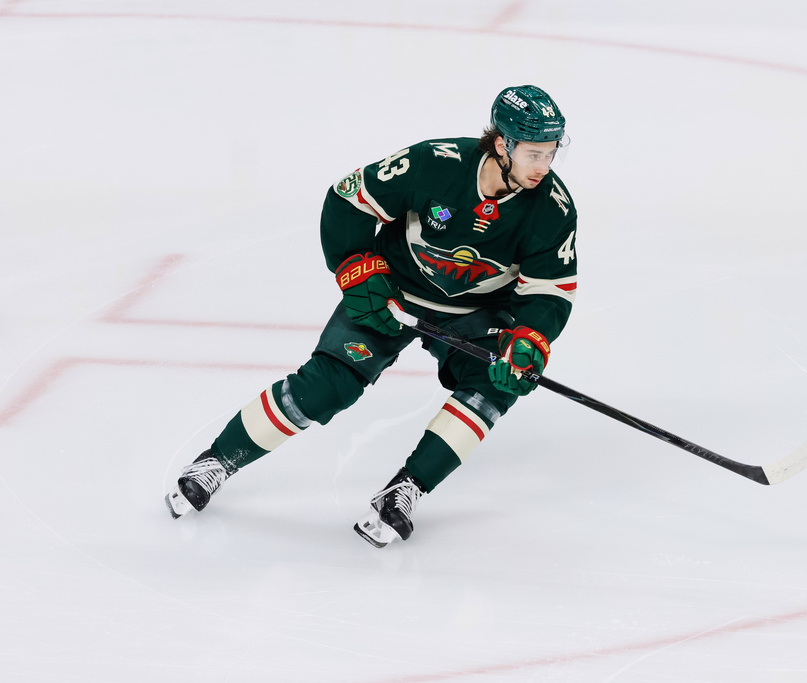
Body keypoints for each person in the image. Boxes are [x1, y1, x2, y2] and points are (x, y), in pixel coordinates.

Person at [165, 85, 578, 547]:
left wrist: (529, 338)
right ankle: (218, 461)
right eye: (534, 154)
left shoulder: (552, 209)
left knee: (492, 386)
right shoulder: (435, 163)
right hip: (393, 294)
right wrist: (358, 271)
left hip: (474, 313)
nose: (544, 166)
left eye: (550, 153)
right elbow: (348, 200)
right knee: (328, 384)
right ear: (502, 145)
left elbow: (549, 290)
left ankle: (406, 489)